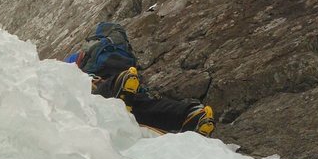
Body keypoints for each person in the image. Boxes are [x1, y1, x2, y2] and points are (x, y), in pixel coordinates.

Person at [65, 22, 215, 136]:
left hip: (102, 88)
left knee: (103, 96)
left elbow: (59, 75)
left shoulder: (83, 53)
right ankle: (193, 114)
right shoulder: (127, 54)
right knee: (147, 106)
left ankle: (120, 87)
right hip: (131, 88)